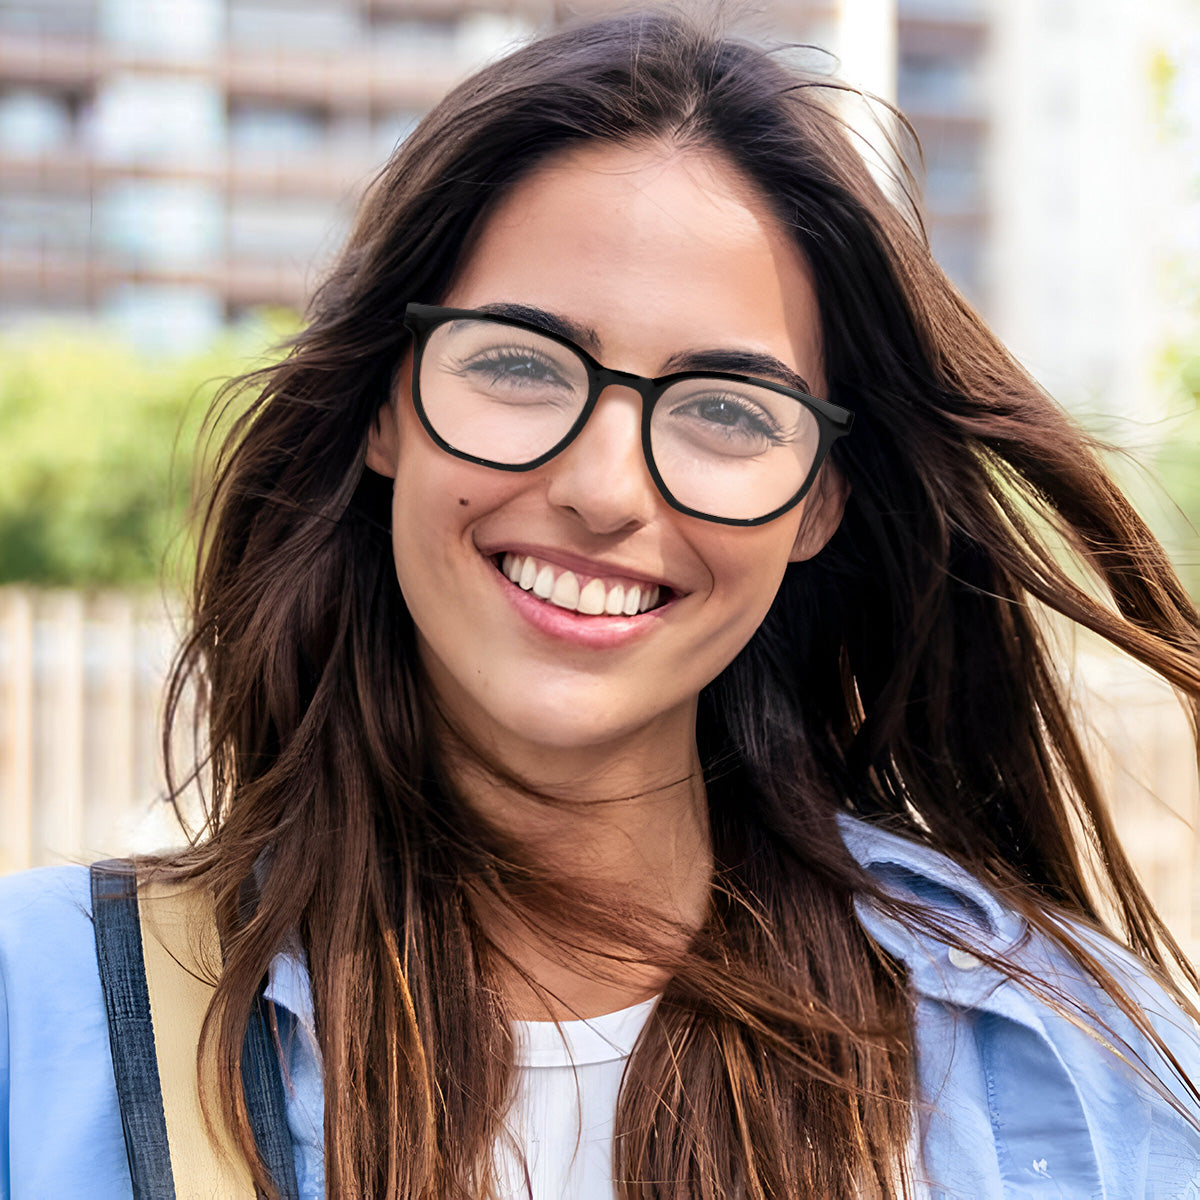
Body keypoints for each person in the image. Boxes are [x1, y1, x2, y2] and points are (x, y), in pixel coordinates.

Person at [2, 7, 1199, 1199]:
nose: (603, 490)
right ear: (384, 406)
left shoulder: (1067, 1062)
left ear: (820, 502)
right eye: (520, 364)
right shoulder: (41, 1016)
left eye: (728, 408)